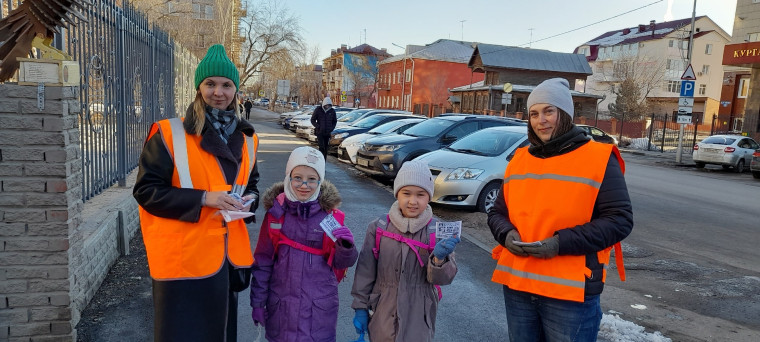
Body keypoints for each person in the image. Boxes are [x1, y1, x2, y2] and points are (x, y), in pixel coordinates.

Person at [487, 78, 633, 341]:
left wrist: (559, 243)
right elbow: (498, 213)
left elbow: (619, 220)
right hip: (519, 285)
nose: (541, 120)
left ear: (564, 114)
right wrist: (506, 234)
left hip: (570, 293)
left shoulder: (599, 158)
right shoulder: (520, 159)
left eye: (549, 111)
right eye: (534, 113)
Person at [133, 44, 260, 342]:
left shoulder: (247, 138)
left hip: (227, 261)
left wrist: (248, 201)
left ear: (236, 90)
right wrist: (204, 198)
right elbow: (147, 191)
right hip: (183, 262)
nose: (219, 92)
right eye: (211, 84)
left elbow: (251, 183)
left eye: (227, 85)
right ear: (198, 88)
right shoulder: (169, 133)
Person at [249, 146, 358, 341]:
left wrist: (347, 248)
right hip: (281, 309)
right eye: (297, 177)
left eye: (312, 179)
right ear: (288, 177)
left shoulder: (330, 216)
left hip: (319, 312)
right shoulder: (275, 215)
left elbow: (341, 264)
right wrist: (258, 302)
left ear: (320, 181)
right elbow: (263, 261)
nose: (304, 185)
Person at [351, 160, 460, 342]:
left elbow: (442, 279)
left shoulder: (436, 231)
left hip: (419, 315)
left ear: (429, 197)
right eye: (406, 193)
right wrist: (360, 306)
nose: (413, 201)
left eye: (421, 194)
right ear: (397, 194)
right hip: (382, 312)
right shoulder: (378, 228)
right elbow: (365, 271)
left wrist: (439, 260)